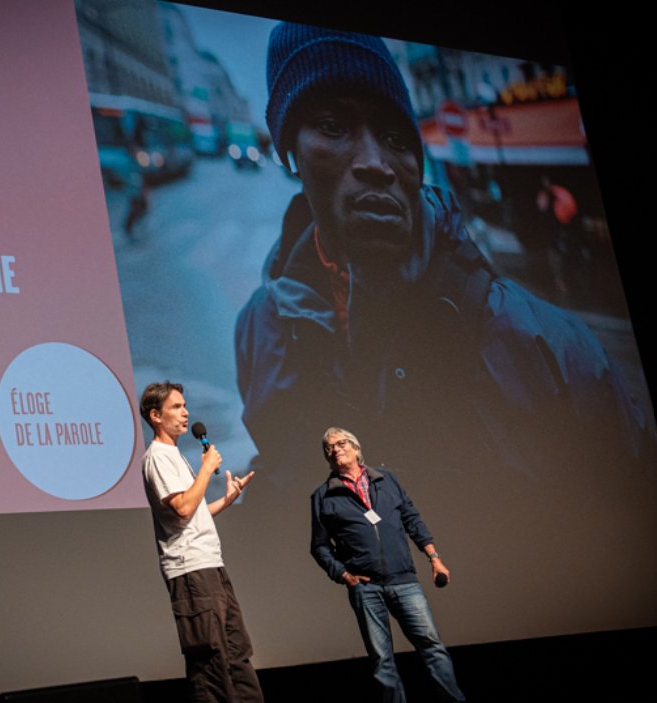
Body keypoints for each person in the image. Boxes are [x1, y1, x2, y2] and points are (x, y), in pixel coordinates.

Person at [235, 23, 654, 489]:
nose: (376, 163)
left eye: (396, 138)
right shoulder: (261, 326)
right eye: (333, 127)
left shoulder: (550, 345)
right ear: (290, 151)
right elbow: (281, 466)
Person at [311, 427, 465, 702]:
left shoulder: (386, 480)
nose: (335, 449)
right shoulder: (323, 496)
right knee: (382, 660)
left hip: (404, 581)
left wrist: (434, 557)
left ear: (357, 449)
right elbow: (320, 546)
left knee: (433, 647)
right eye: (329, 448)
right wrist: (343, 574)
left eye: (341, 443)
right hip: (366, 588)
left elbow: (412, 519)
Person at [139, 381, 264, 703]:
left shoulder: (175, 455)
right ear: (155, 416)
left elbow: (192, 513)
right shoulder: (157, 457)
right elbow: (181, 507)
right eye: (177, 407)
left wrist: (225, 500)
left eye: (185, 406)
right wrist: (207, 469)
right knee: (211, 661)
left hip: (210, 564)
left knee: (236, 651)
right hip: (191, 570)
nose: (186, 413)